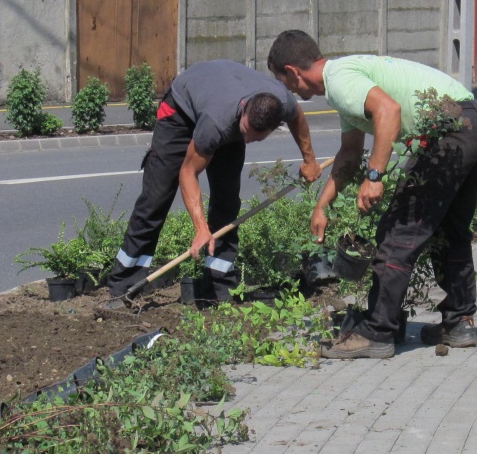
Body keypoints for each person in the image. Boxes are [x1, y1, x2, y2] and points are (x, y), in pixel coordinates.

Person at [267, 30, 477, 358]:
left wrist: (375, 177)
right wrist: (322, 206)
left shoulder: (340, 80)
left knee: (396, 233)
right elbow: (348, 155)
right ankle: (459, 322)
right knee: (450, 231)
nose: (287, 89)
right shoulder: (347, 83)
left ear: (293, 71)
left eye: (283, 80)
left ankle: (378, 331)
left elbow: (389, 111)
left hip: (452, 133)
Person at [106, 59, 321, 304]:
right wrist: (201, 229)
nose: (248, 140)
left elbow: (298, 118)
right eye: (245, 132)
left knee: (227, 203)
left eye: (255, 138)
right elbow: (187, 173)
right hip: (181, 110)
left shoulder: (281, 102)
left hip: (223, 104)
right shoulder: (217, 123)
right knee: (156, 197)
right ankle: (123, 284)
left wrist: (309, 159)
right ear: (244, 109)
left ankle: (218, 286)